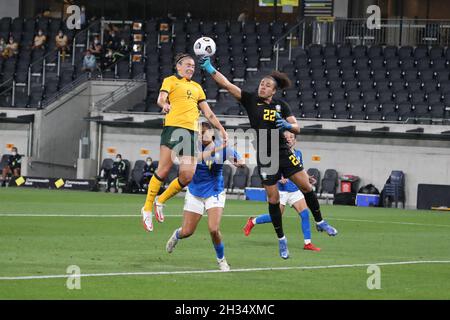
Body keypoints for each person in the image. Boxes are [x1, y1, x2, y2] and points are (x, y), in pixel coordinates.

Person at [200, 57, 337, 259]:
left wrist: (287, 126)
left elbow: (297, 127)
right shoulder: (249, 99)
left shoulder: (282, 106)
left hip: (283, 151)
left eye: (268, 85)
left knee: (306, 186)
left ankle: (320, 221)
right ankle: (282, 240)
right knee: (273, 200)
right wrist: (210, 68)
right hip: (266, 156)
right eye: (262, 84)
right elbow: (226, 84)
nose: (263, 87)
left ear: (274, 91)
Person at [141, 53, 228, 232]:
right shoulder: (170, 81)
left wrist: (221, 129)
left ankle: (161, 200)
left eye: (193, 66)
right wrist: (164, 105)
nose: (191, 68)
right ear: (178, 67)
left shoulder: (197, 88)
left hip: (190, 133)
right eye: (187, 65)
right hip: (173, 128)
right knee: (163, 170)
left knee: (187, 176)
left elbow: (208, 113)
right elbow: (161, 98)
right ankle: (147, 208)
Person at [165, 122, 244, 271]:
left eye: (204, 133)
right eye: (199, 134)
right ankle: (176, 235)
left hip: (215, 191)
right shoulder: (193, 148)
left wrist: (239, 163)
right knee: (187, 231)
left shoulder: (223, 147)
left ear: (211, 133)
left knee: (213, 229)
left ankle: (221, 260)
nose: (201, 136)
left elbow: (239, 160)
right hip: (195, 191)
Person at [244, 131, 321, 251]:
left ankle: (308, 243)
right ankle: (253, 221)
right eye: (287, 137)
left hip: (295, 190)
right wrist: (280, 178)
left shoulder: (298, 153)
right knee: (275, 217)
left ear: (295, 140)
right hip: (282, 192)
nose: (289, 139)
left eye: (291, 137)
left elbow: (300, 169)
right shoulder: (278, 154)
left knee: (305, 214)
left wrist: (307, 178)